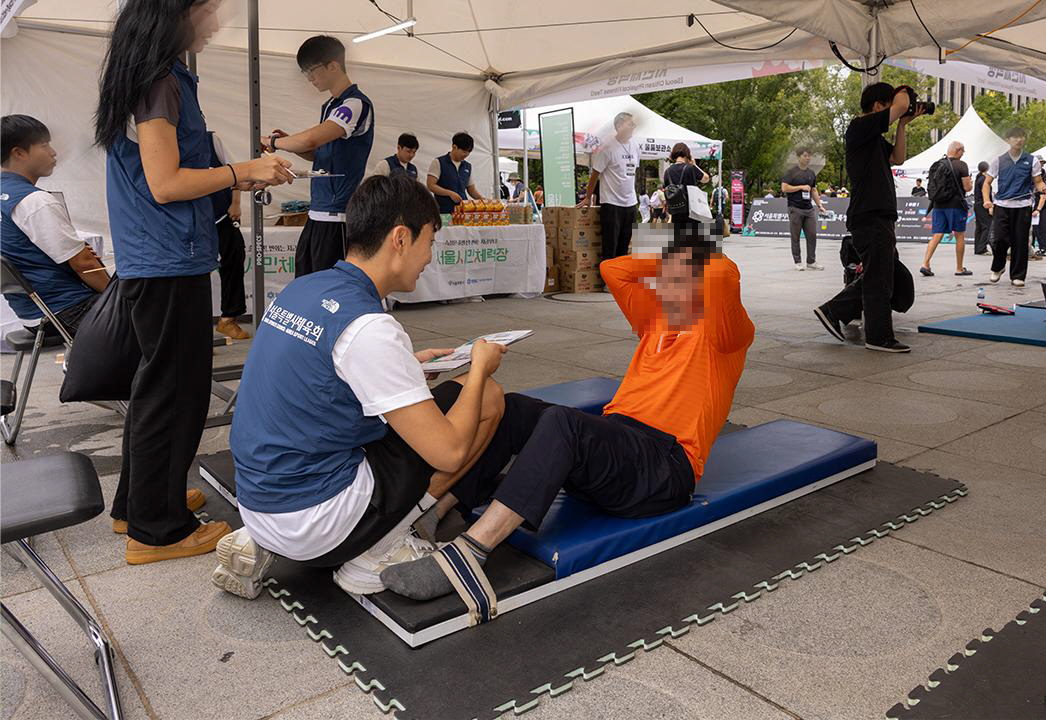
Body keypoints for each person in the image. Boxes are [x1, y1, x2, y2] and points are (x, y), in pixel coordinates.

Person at [380, 223, 755, 604]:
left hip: (663, 467)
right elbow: (613, 269)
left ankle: (471, 552)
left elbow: (722, 274)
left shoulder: (726, 334)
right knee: (515, 409)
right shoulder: (656, 321)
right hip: (616, 450)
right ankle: (435, 510)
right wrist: (669, 258)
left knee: (565, 423)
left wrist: (690, 249)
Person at [212, 173, 510, 598]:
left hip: (260, 501)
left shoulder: (303, 288)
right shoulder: (369, 327)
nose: (430, 257)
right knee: (487, 400)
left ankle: (262, 541)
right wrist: (480, 368)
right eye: (430, 241)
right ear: (401, 239)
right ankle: (378, 549)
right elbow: (449, 452)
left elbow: (318, 378)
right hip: (315, 520)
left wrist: (407, 366)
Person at [94, 0, 294, 564]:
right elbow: (165, 183)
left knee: (158, 386)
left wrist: (238, 175)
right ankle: (158, 531)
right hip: (166, 259)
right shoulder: (159, 80)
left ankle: (139, 504)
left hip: (159, 256)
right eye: (208, 9)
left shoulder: (147, 73)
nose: (214, 22)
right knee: (174, 393)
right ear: (178, 9)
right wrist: (241, 170)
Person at [814, 82, 923, 354]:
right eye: (889, 106)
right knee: (878, 278)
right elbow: (900, 104)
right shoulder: (859, 126)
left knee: (883, 274)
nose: (895, 111)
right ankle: (878, 336)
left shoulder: (872, 136)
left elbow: (898, 158)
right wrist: (904, 93)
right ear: (877, 106)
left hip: (878, 214)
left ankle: (834, 310)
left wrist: (903, 124)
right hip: (870, 213)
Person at [263, 35, 375, 278]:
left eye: (311, 70)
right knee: (307, 282)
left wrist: (273, 142)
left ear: (333, 65)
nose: (309, 78)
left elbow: (310, 140)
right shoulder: (331, 106)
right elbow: (319, 153)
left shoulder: (355, 104)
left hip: (336, 218)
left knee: (329, 289)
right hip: (317, 213)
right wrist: (288, 144)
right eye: (305, 73)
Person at [1, 115, 108, 335]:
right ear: (18, 153)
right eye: (44, 145)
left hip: (31, 314)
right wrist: (117, 296)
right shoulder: (34, 201)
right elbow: (84, 264)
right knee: (157, 310)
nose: (53, 152)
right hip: (67, 311)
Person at [982, 126, 1046, 287]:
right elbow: (987, 183)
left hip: (1023, 206)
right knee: (999, 239)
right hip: (1001, 205)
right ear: (1008, 140)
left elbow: (1038, 182)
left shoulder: (1032, 160)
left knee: (1020, 242)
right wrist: (987, 200)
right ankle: (998, 267)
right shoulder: (999, 160)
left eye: (1022, 137)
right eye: (1015, 137)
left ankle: (1018, 276)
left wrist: (1043, 188)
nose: (1019, 140)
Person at [581, 112, 639, 261]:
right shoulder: (607, 147)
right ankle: (607, 276)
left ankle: (620, 275)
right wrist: (588, 197)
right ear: (619, 126)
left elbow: (632, 172)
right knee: (610, 248)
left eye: (634, 124)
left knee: (624, 249)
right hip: (612, 203)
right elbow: (595, 174)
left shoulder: (635, 146)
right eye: (630, 124)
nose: (633, 127)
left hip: (631, 203)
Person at [207, 133, 249, 340]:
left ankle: (228, 318)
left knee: (234, 257)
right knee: (193, 273)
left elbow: (235, 172)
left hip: (222, 214)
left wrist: (236, 203)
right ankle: (195, 328)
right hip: (191, 220)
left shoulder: (211, 140)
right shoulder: (168, 144)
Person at [918, 140, 972, 278]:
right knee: (959, 234)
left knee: (937, 234)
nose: (963, 154)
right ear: (958, 150)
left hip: (938, 204)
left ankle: (925, 264)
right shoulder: (961, 165)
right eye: (963, 151)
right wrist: (970, 183)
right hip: (956, 205)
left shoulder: (938, 164)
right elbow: (967, 188)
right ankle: (959, 268)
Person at [781, 148, 826, 271]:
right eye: (805, 156)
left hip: (809, 209)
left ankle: (811, 261)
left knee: (812, 235)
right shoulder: (791, 172)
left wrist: (820, 205)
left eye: (809, 156)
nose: (808, 158)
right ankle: (798, 261)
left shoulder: (811, 173)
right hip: (795, 208)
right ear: (799, 157)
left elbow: (813, 190)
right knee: (795, 237)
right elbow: (784, 188)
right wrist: (800, 187)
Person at [427, 132, 484, 214]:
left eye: (469, 152)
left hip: (463, 211)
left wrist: (483, 200)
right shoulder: (439, 162)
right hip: (444, 210)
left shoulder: (467, 166)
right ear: (454, 147)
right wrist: (449, 193)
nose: (466, 154)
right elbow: (431, 185)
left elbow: (472, 190)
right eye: (464, 151)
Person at [1032, 158, 1046, 258]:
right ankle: (1039, 248)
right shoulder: (1033, 186)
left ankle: (1045, 249)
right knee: (1036, 229)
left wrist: (1038, 210)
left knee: (1042, 228)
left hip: (1043, 209)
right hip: (1036, 209)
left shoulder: (1044, 185)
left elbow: (1043, 197)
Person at [973, 160, 991, 255]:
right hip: (983, 204)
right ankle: (982, 248)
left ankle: (978, 248)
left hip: (977, 204)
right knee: (987, 226)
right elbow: (986, 193)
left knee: (979, 227)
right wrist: (990, 205)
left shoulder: (978, 178)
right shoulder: (984, 179)